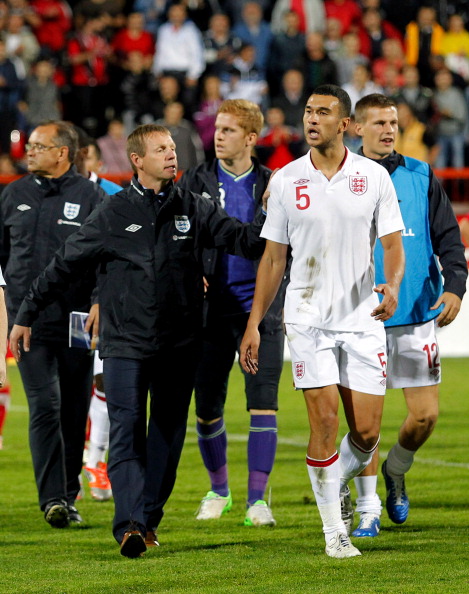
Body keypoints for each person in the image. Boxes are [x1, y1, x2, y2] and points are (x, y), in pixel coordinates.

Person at [9, 123, 267, 558]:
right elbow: (63, 265)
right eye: (161, 149)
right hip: (125, 344)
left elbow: (246, 241)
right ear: (137, 160)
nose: (171, 155)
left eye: (172, 147)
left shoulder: (195, 207)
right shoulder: (112, 212)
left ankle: (147, 517)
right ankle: (129, 523)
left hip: (180, 344)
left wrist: (269, 211)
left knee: (166, 433)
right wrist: (25, 315)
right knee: (126, 429)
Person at [239, 84, 405, 558]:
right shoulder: (287, 181)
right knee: (325, 421)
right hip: (307, 318)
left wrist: (391, 286)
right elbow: (273, 260)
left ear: (346, 125)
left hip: (361, 318)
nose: (312, 119)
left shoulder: (372, 178)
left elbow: (393, 245)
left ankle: (331, 478)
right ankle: (335, 531)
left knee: (368, 434)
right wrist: (254, 324)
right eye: (309, 111)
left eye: (324, 113)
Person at [351, 93, 467, 537]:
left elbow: (448, 239)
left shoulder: (420, 174)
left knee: (425, 417)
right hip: (365, 317)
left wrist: (455, 286)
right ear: (357, 128)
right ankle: (366, 509)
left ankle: (395, 471)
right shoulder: (346, 177)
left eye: (394, 122)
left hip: (418, 313)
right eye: (379, 122)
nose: (388, 130)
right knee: (366, 424)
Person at [178, 99, 286, 527]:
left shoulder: (273, 183)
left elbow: (281, 249)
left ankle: (257, 501)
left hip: (260, 312)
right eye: (216, 129)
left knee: (263, 405)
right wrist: (191, 273)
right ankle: (218, 490)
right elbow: (179, 235)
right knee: (207, 407)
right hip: (209, 312)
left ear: (251, 138)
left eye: (226, 130)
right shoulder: (195, 180)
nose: (216, 136)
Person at [0, 120, 107, 527]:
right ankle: (52, 501)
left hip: (78, 321)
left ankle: (67, 493)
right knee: (46, 403)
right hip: (26, 322)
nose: (28, 152)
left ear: (63, 152)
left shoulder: (92, 196)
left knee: (74, 409)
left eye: (38, 146)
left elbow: (103, 259)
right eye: (28, 145)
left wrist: (98, 302)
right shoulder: (14, 195)